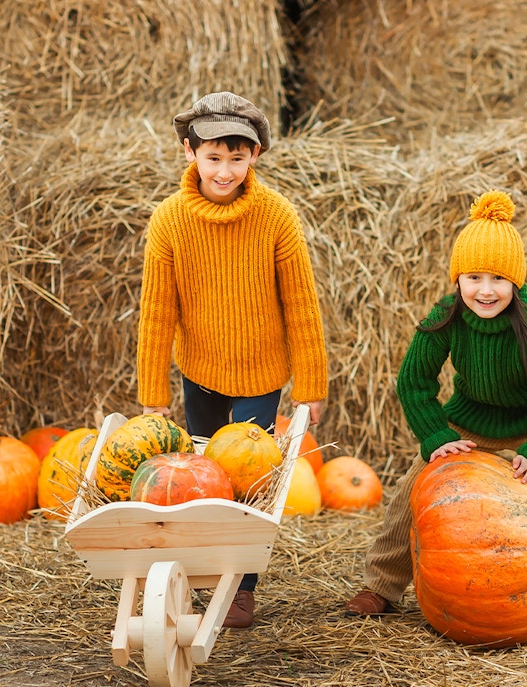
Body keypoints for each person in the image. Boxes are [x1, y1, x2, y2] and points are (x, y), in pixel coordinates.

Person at [343, 190, 527, 650]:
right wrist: (436, 436)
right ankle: (380, 587)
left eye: (498, 278)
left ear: (517, 282)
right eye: (474, 277)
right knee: (411, 492)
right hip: (472, 419)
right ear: (457, 278)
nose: (486, 290)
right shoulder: (446, 317)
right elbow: (414, 382)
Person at [136, 91, 328, 630]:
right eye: (213, 157)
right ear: (188, 151)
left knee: (247, 482)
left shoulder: (276, 217)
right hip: (199, 372)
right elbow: (156, 313)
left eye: (236, 158)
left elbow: (301, 305)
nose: (225, 170)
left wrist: (311, 384)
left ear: (256, 156)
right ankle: (199, 571)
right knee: (199, 475)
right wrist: (153, 395)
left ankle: (241, 586)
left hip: (261, 376)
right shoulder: (170, 221)